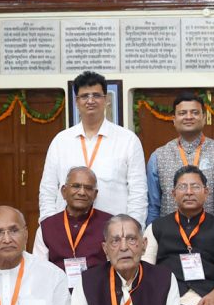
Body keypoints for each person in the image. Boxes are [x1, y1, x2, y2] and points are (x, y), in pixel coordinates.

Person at [39, 71, 146, 224]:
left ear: (106, 100)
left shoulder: (128, 140)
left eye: (96, 95)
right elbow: (47, 190)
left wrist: (132, 228)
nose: (90, 101)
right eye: (84, 96)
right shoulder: (61, 141)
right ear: (76, 101)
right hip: (67, 229)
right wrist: (49, 226)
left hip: (113, 230)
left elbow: (138, 192)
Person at [142, 165, 214, 305]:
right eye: (182, 187)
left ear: (206, 192)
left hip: (206, 297)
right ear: (173, 194)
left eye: (195, 187)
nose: (189, 192)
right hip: (166, 296)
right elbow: (144, 268)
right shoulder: (155, 227)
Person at [144, 92, 214, 235]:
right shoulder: (158, 157)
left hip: (213, 238)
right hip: (169, 239)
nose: (189, 117)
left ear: (204, 118)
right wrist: (151, 242)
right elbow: (153, 207)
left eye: (195, 112)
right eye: (182, 113)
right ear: (174, 119)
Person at [32, 165, 110, 283]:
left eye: (88, 188)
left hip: (97, 289)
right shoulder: (47, 227)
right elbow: (39, 270)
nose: (82, 192)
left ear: (95, 194)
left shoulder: (110, 224)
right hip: (58, 290)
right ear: (64, 191)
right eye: (76, 186)